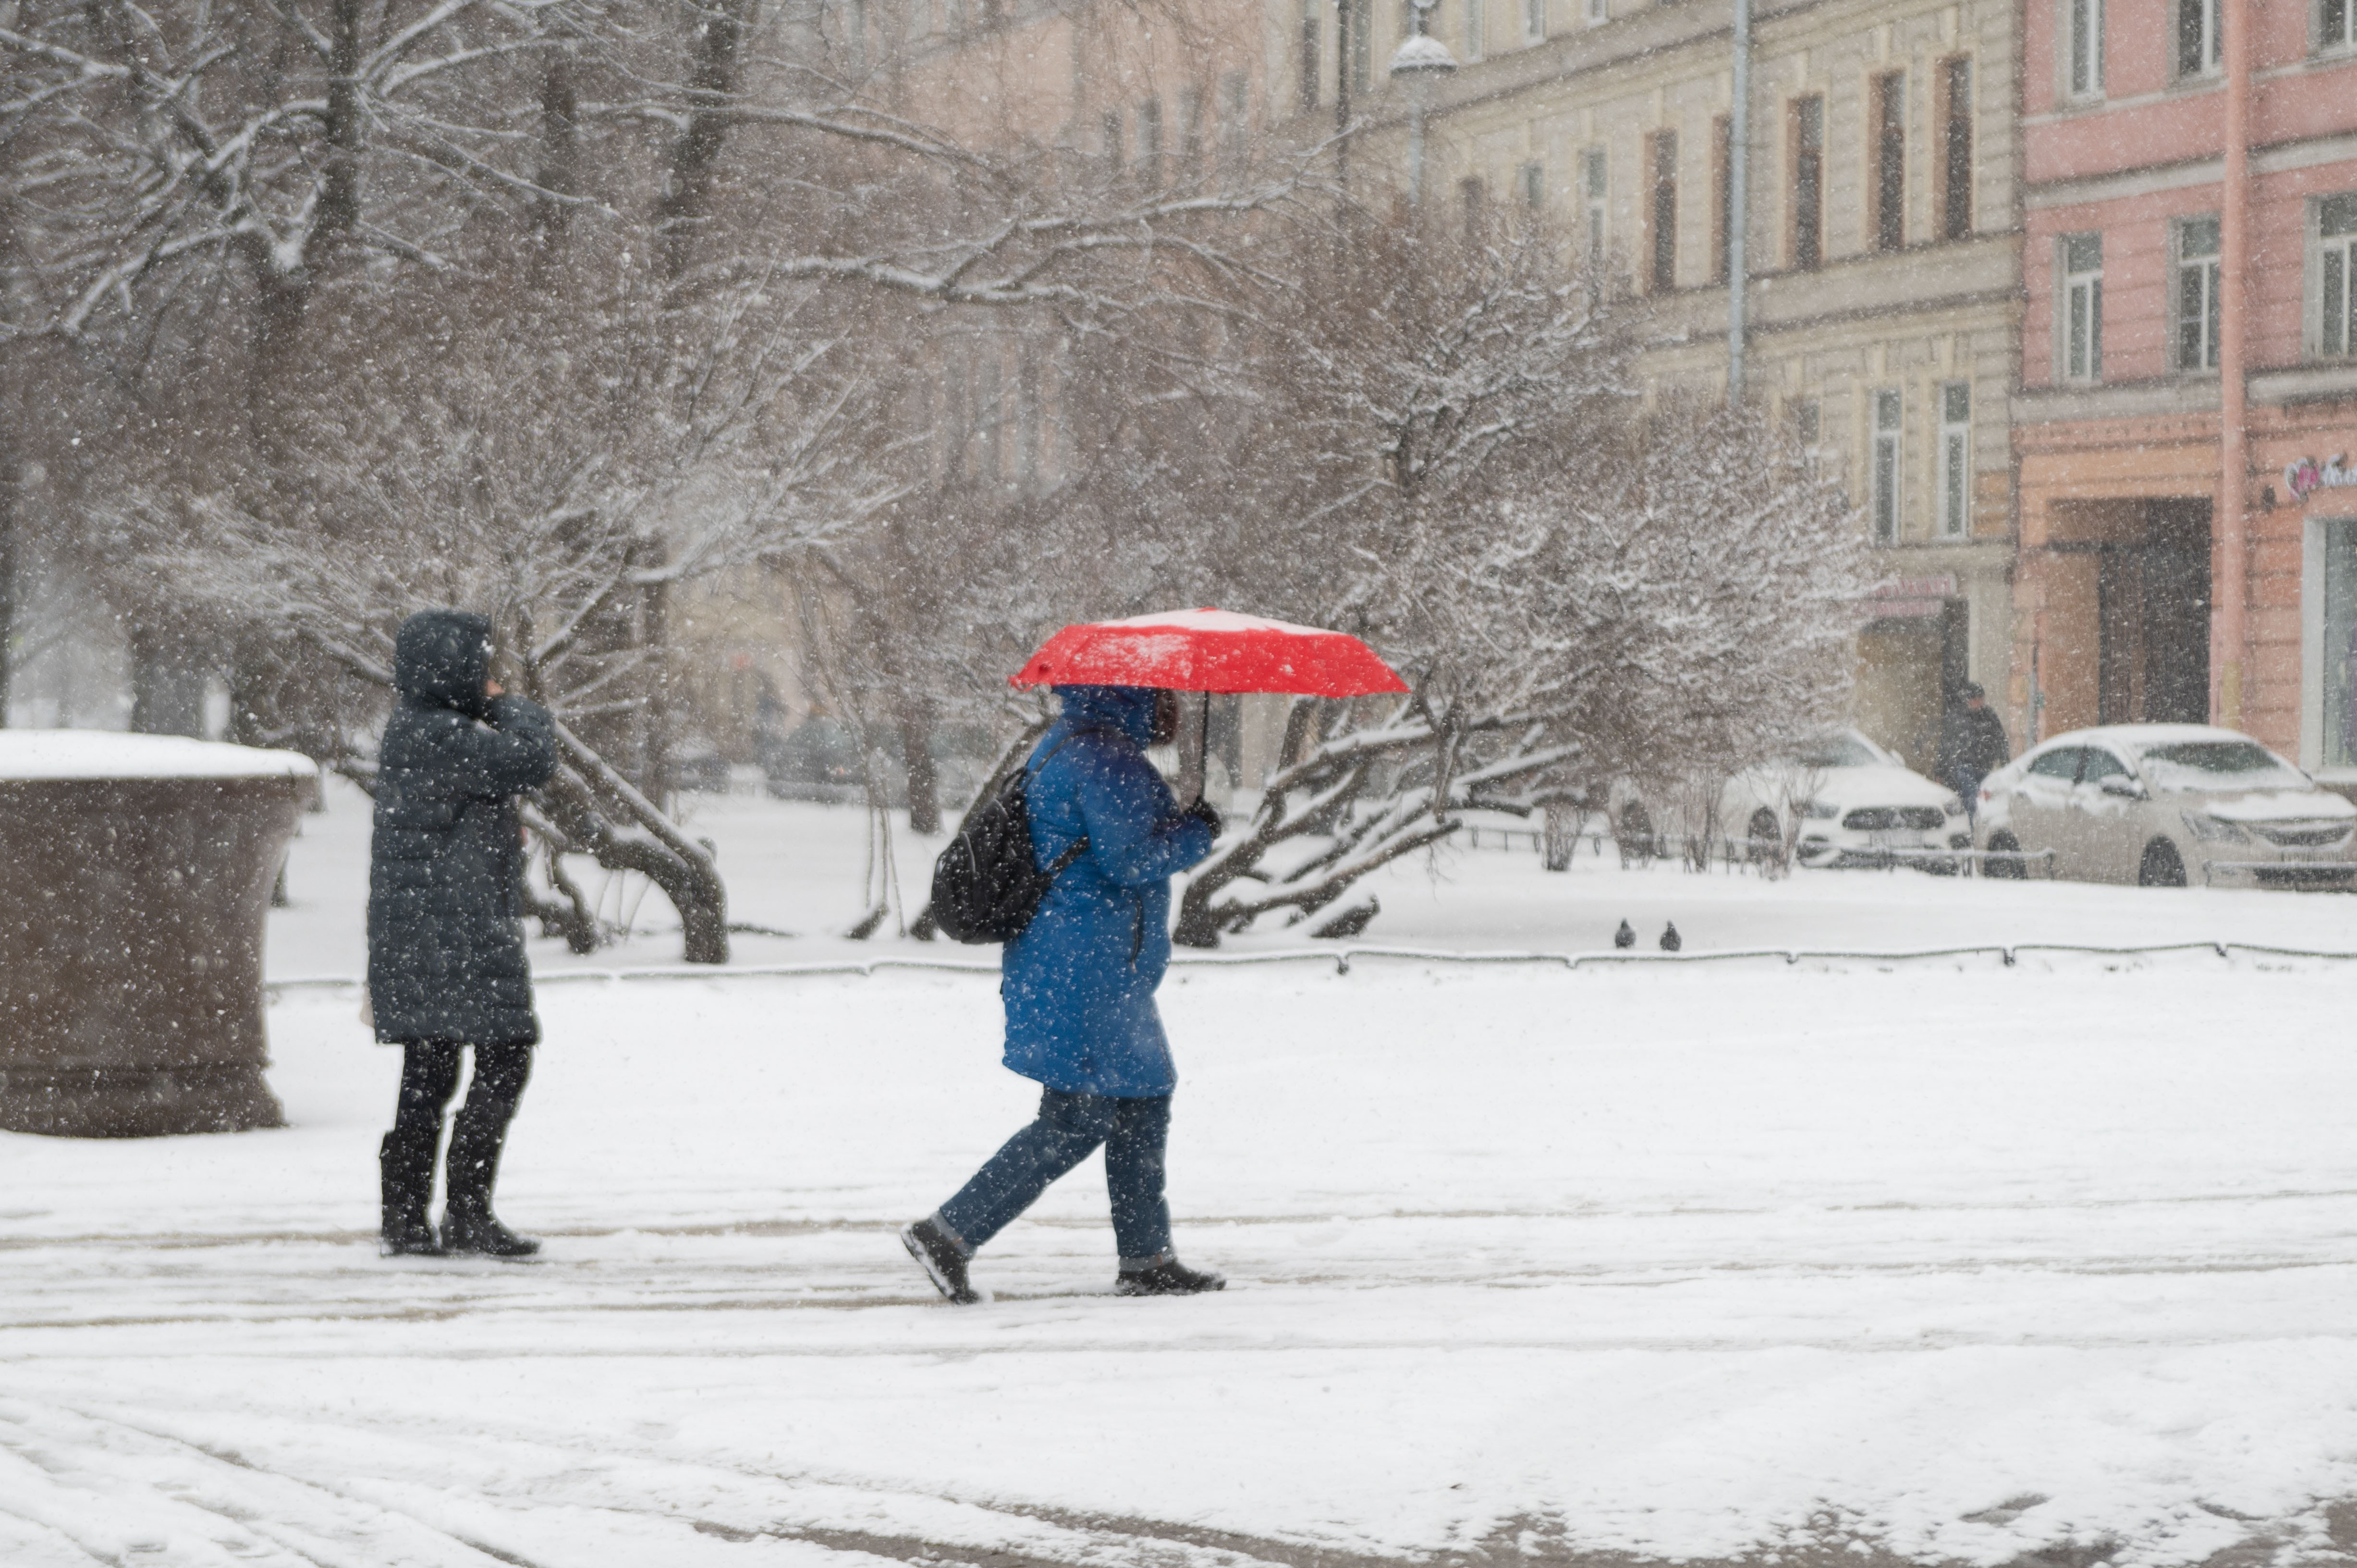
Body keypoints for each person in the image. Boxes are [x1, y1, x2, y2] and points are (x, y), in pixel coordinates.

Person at [903, 684, 1224, 1302]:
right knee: (1078, 1117)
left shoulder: (1072, 745)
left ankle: (1146, 1258)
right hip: (1085, 967)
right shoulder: (1105, 760)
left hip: (1084, 963)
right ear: (1136, 698)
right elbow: (1130, 860)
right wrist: (1195, 832)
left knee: (1142, 1098)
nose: (1175, 711)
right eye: (1166, 698)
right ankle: (948, 1233)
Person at [370, 609, 558, 1258]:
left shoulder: (413, 730)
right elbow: (534, 760)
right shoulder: (442, 736)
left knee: (429, 1070)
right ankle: (464, 1213)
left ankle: (407, 1218)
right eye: (479, 665)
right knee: (502, 1058)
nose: (487, 676)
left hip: (425, 932)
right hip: (460, 932)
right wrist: (508, 705)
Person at [1938, 681, 2011, 825]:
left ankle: (1980, 829)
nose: (1978, 703)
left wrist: (2006, 765)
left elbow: (2001, 740)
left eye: (1980, 699)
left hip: (1985, 768)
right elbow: (1946, 745)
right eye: (1975, 699)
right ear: (1968, 700)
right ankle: (1973, 832)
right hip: (1965, 767)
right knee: (1972, 800)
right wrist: (1940, 771)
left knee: (1987, 801)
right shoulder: (1958, 717)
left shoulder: (1989, 716)